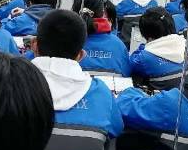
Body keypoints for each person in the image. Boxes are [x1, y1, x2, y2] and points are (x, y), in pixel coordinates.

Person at [31, 10, 123, 138]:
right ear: (80, 55)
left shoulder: (10, 85)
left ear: (34, 45)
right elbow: (116, 128)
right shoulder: (102, 93)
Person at [73, 0, 131, 75]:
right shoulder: (119, 46)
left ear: (73, 10)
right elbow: (126, 76)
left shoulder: (65, 43)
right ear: (103, 13)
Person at [128, 7, 185, 91]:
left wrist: (143, 47)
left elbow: (130, 65)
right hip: (185, 96)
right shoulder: (186, 46)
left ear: (147, 34)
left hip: (160, 98)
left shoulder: (144, 57)